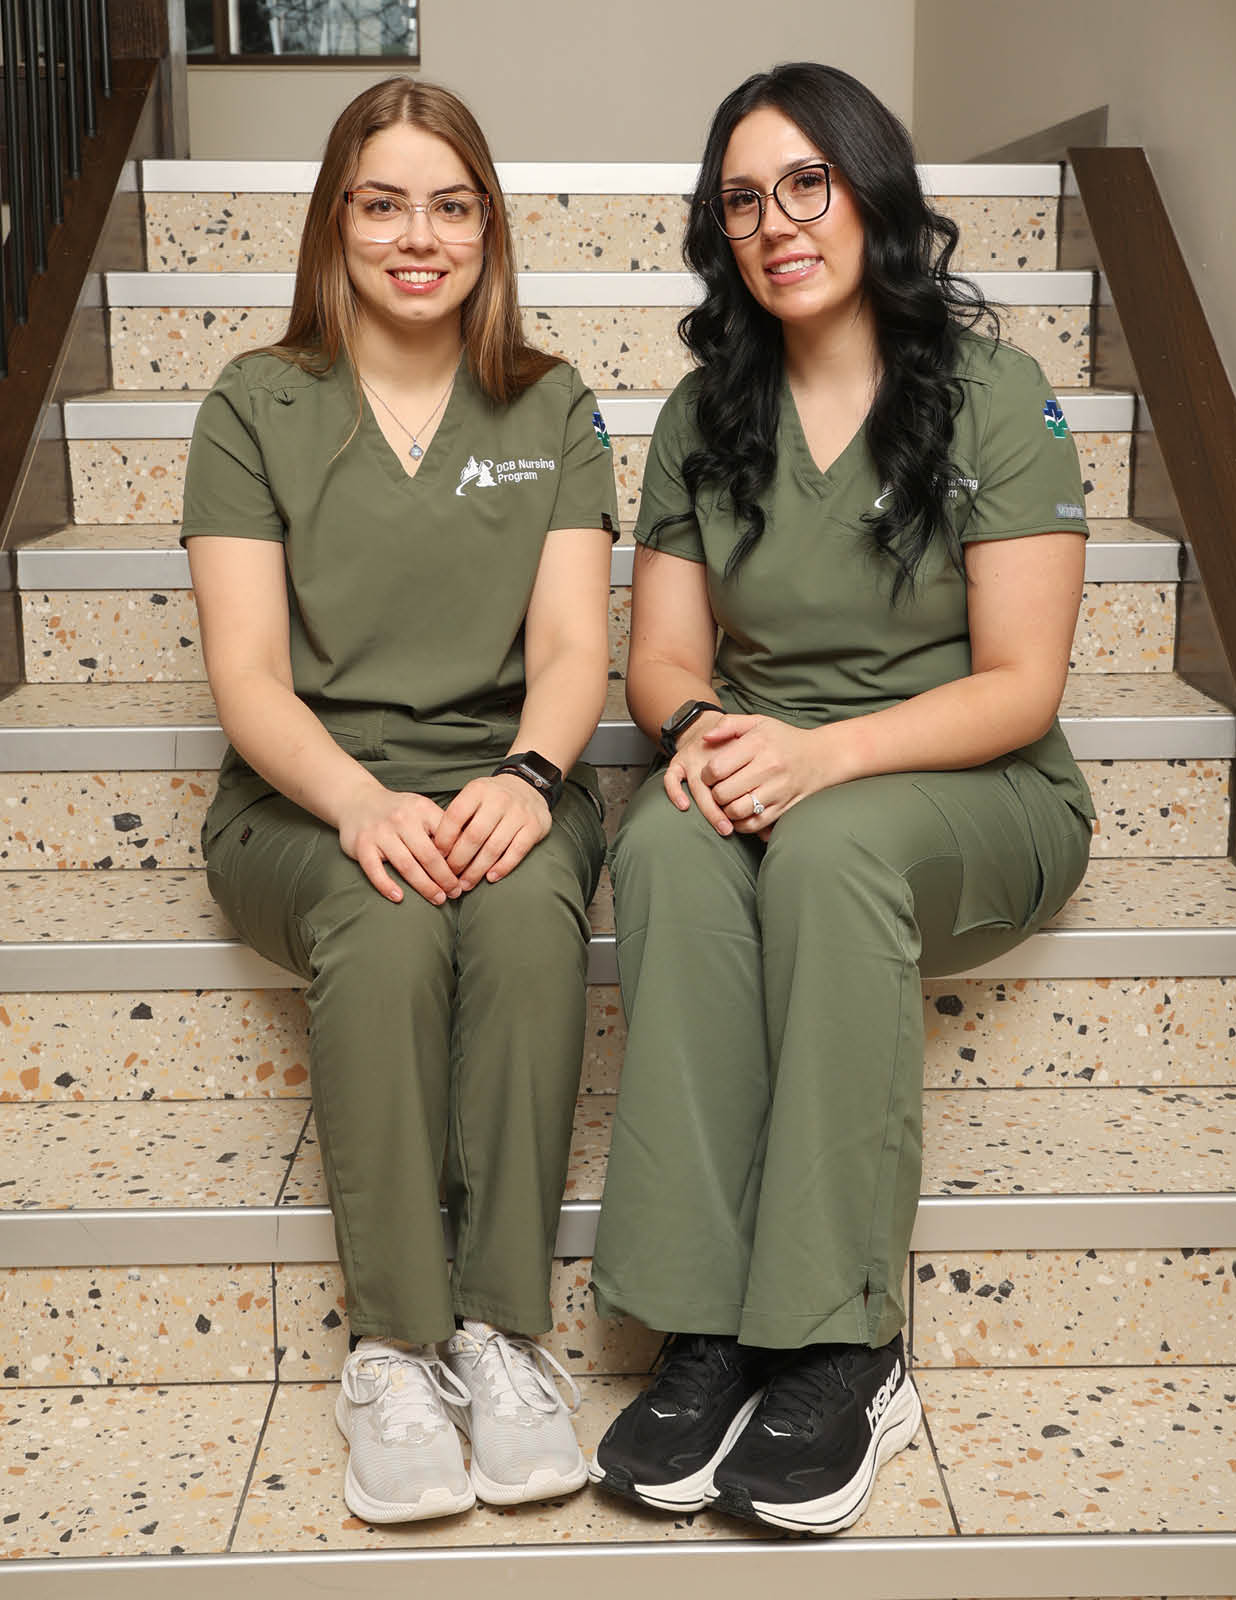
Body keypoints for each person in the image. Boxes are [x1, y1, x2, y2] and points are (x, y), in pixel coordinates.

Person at [584, 62, 1096, 1535]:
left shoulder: (994, 397)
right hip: (770, 757)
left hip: (968, 782)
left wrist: (821, 758)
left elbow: (1022, 682)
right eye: (743, 199)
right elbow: (666, 659)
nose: (777, 222)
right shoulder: (704, 413)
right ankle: (708, 1330)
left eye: (806, 183)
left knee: (828, 857)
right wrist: (696, 734)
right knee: (671, 851)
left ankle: (842, 1342)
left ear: (871, 192)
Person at [182, 78, 612, 1527]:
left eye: (450, 204)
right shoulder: (255, 401)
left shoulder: (548, 400)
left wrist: (532, 777)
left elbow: (569, 649)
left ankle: (499, 1335)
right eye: (383, 203)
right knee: (385, 925)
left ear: (488, 226)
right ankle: (392, 1350)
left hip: (506, 772)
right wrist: (361, 804)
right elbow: (245, 677)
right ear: (336, 221)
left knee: (526, 922)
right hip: (303, 793)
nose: (416, 237)